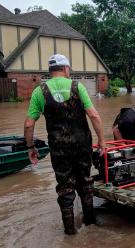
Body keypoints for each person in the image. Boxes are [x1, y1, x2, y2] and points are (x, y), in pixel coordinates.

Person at [24, 54, 106, 235]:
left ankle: (70, 233)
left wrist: (31, 148)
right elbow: (94, 115)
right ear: (66, 69)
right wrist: (101, 140)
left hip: (59, 149)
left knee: (65, 188)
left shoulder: (40, 91)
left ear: (50, 71)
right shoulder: (77, 87)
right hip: (82, 145)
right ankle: (90, 225)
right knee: (85, 183)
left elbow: (29, 124)